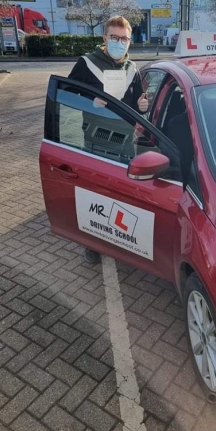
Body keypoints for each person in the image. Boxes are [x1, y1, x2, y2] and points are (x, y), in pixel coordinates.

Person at [68, 15, 149, 264]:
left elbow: (137, 102)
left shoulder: (131, 69)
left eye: (124, 39)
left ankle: (120, 239)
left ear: (129, 42)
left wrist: (143, 106)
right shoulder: (86, 63)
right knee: (95, 195)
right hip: (96, 138)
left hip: (125, 140)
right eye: (114, 38)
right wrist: (89, 101)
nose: (119, 42)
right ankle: (91, 244)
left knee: (123, 193)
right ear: (105, 38)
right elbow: (67, 93)